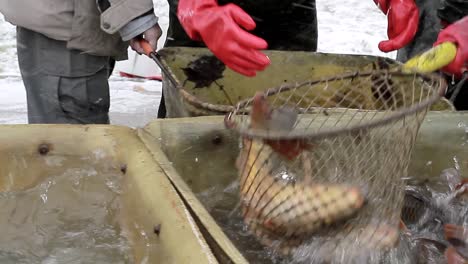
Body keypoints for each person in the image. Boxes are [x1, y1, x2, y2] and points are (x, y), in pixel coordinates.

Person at [158, 0, 467, 118]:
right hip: (210, 19)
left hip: (292, 13)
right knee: (198, 131)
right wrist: (192, 4)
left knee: (288, 120)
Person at [0, 0, 163, 124]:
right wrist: (137, 18)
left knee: (51, 140)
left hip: (49, 18)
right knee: (74, 148)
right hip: (69, 30)